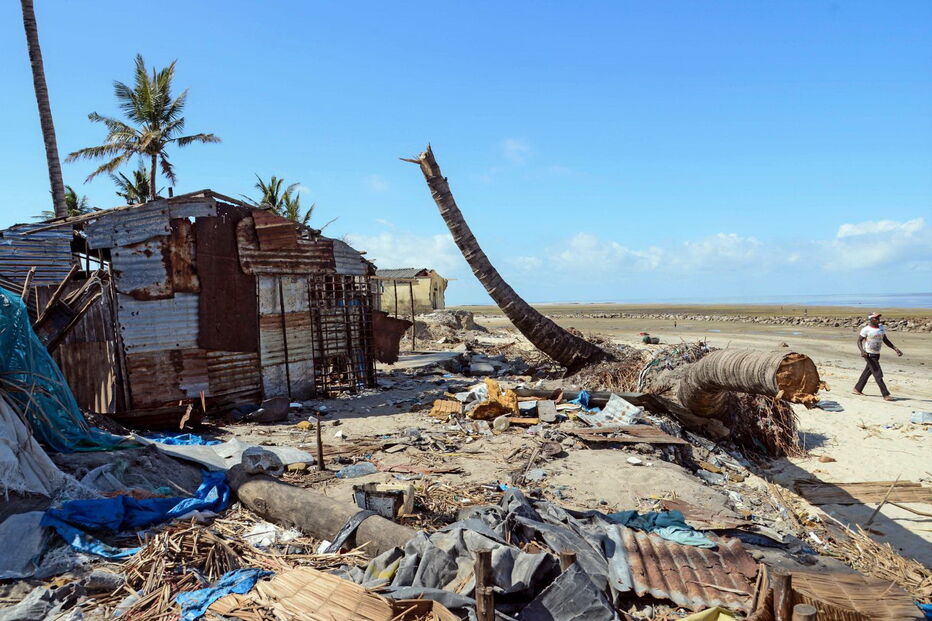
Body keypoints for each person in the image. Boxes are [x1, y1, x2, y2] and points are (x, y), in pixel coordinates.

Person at [852, 312, 903, 401]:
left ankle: (857, 389)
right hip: (868, 354)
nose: (878, 319)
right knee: (878, 374)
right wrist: (862, 351)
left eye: (879, 318)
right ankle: (885, 394)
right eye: (876, 318)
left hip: (876, 354)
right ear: (871, 319)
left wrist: (895, 348)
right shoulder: (866, 329)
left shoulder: (881, 328)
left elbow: (885, 340)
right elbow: (859, 341)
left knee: (867, 372)